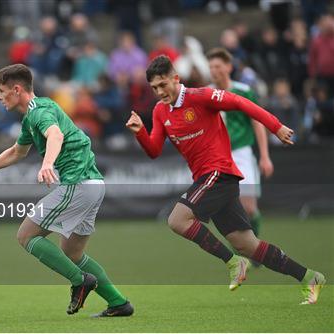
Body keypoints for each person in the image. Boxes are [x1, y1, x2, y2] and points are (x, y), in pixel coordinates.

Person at [125, 56, 326, 305]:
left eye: (163, 85)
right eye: (154, 88)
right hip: (209, 180)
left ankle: (233, 262)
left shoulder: (201, 96)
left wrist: (276, 126)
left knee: (177, 220)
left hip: (219, 173)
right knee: (247, 244)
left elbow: (241, 103)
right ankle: (309, 277)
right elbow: (154, 150)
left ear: (176, 79)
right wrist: (140, 132)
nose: (159, 92)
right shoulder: (159, 111)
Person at [0, 64, 133, 317]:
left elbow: (55, 135)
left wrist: (48, 163)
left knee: (26, 236)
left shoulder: (39, 112)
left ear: (16, 90)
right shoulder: (36, 113)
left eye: (1, 90)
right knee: (72, 253)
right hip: (94, 185)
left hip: (78, 183)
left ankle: (80, 281)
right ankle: (118, 303)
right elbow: (17, 152)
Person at [207, 47, 273, 245]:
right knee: (227, 210)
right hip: (219, 158)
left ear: (228, 67)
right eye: (210, 67)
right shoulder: (206, 94)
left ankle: (255, 247)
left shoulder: (243, 92)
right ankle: (241, 256)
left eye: (217, 66)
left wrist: (264, 156)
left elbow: (257, 123)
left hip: (242, 153)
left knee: (249, 208)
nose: (213, 70)